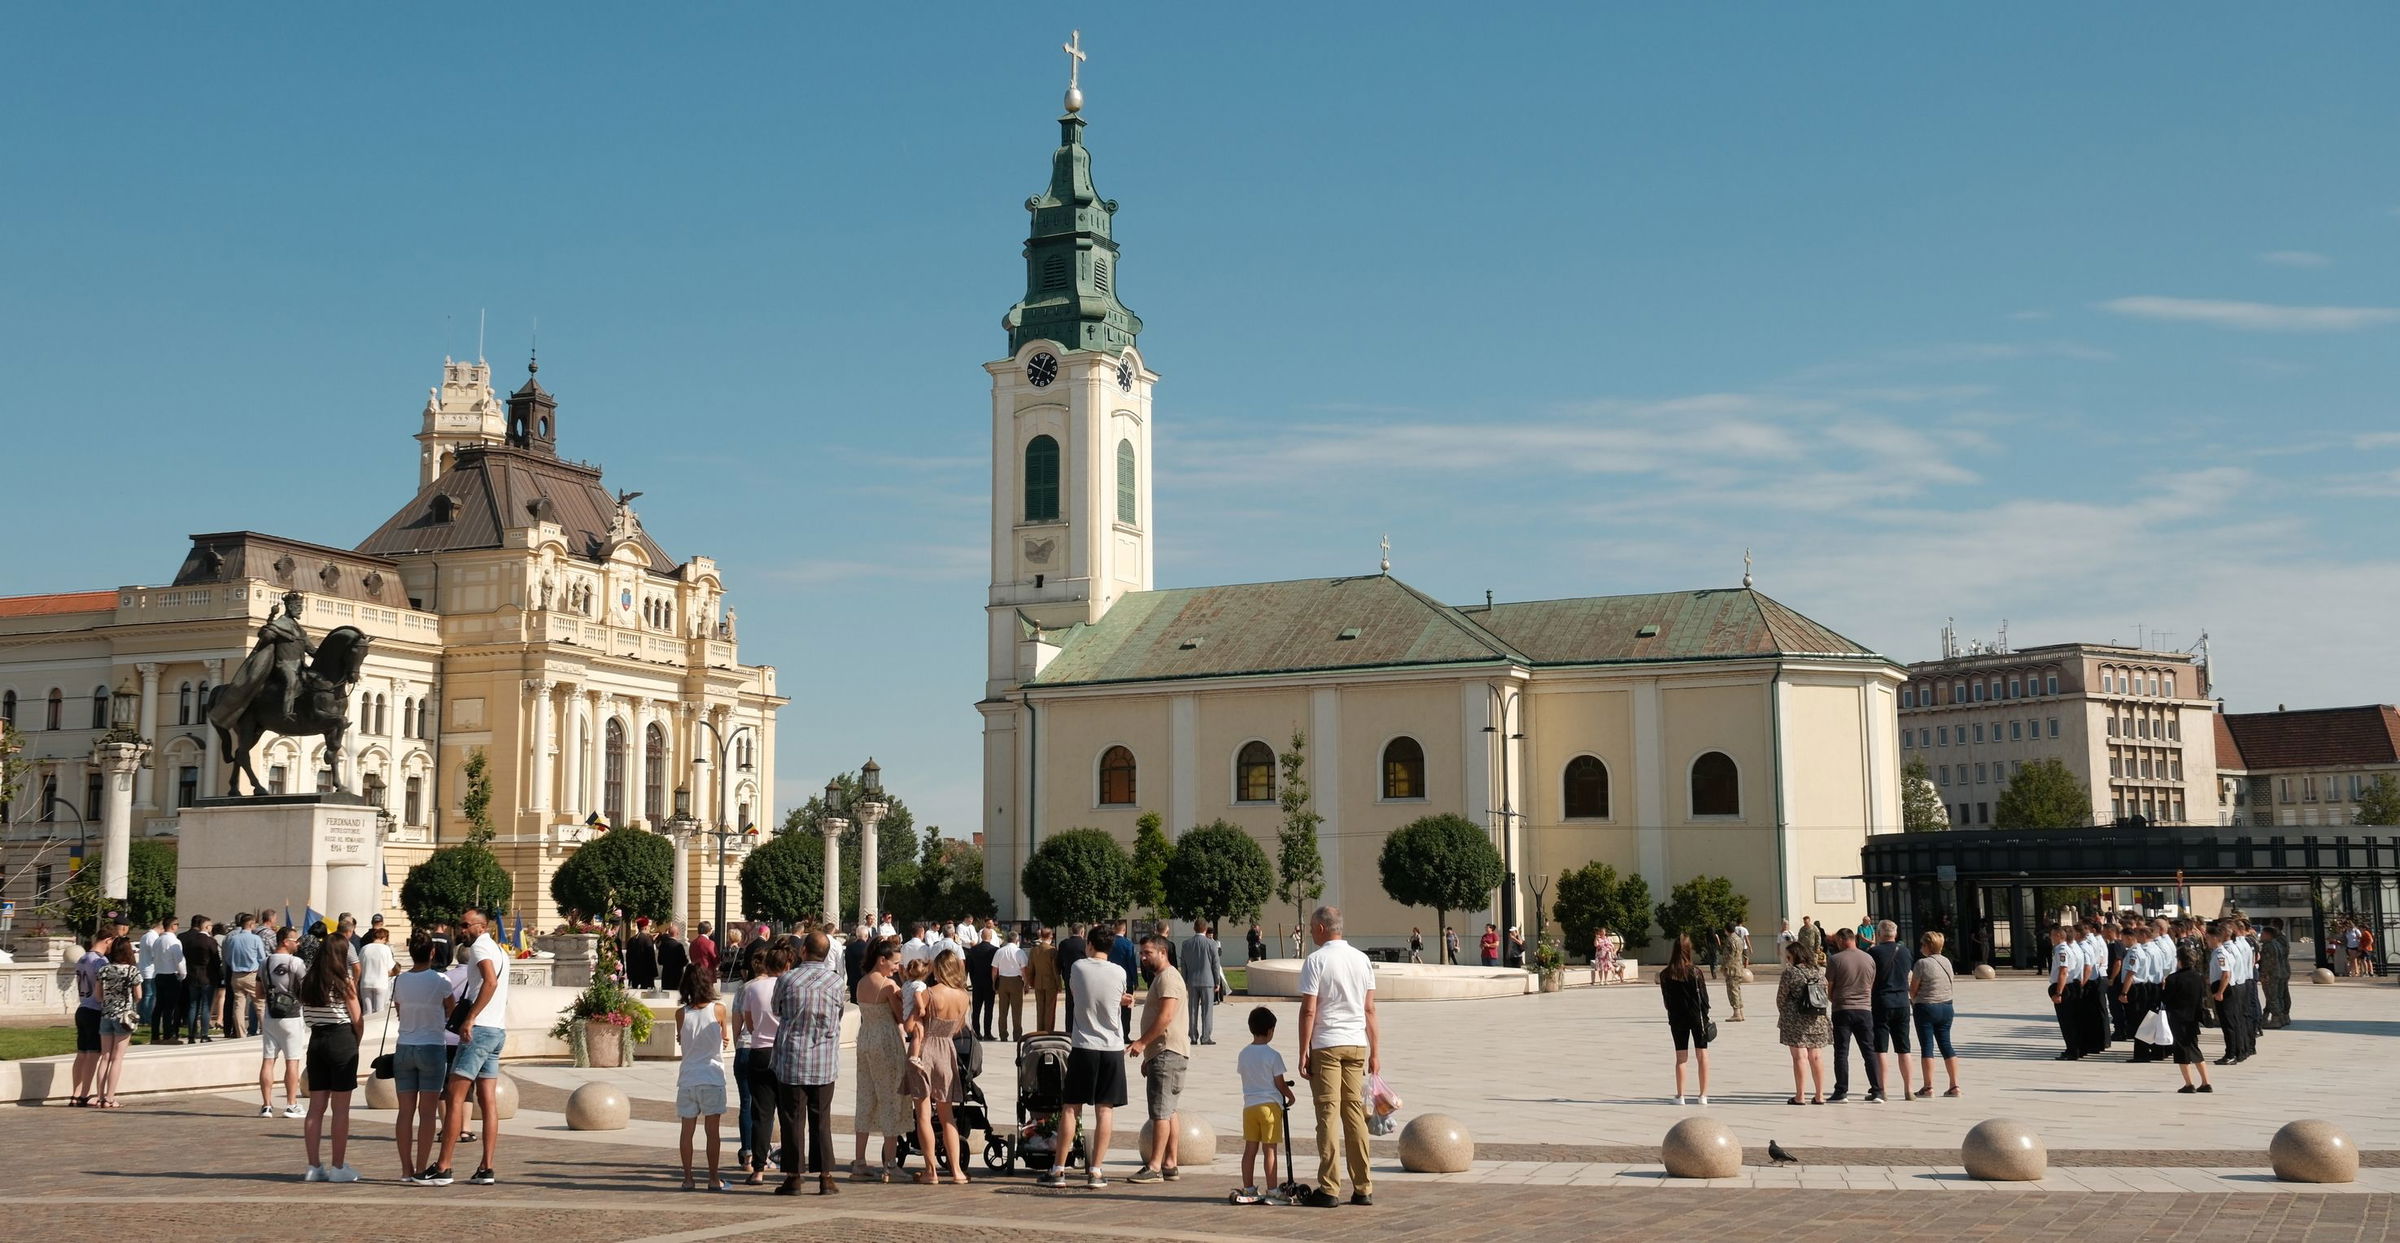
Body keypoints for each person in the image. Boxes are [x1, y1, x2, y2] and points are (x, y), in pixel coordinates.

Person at [1296, 904, 1378, 1208]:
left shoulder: (1316, 960)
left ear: (1320, 928)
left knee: (1327, 1114)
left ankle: (1329, 1187)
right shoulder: (1362, 959)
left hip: (1327, 1044)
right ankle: (1363, 1186)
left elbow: (1309, 1009)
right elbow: (1370, 1009)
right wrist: (1375, 1052)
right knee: (1354, 1113)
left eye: (1310, 926)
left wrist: (1303, 1049)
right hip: (1356, 1044)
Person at [427, 906, 510, 1187]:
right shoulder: (501, 951)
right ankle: (486, 1167)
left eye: (466, 925)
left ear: (482, 927)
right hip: (497, 1029)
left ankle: (443, 1166)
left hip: (481, 1030)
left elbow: (490, 981)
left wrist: (471, 1018)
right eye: (460, 925)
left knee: (454, 1096)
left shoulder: (480, 949)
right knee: (488, 1101)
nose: (461, 930)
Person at [1043, 931, 1129, 1189]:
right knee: (1105, 1109)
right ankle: (1096, 1170)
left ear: (1089, 944)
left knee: (1071, 1107)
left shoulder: (1079, 967)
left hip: (1084, 1045)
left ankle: (1058, 1169)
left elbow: (1079, 993)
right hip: (1112, 1047)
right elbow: (1114, 998)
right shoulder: (1120, 972)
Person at [772, 932, 846, 1196]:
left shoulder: (787, 978)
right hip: (824, 1059)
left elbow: (776, 1009)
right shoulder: (836, 982)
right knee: (821, 1119)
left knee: (792, 1118)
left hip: (792, 1056)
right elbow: (838, 1014)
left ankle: (794, 1176)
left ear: (803, 950)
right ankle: (825, 1176)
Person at [903, 950, 972, 1186]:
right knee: (947, 1115)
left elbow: (910, 1025)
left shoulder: (929, 993)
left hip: (925, 1050)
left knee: (923, 1114)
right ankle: (956, 1171)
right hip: (946, 1052)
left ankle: (931, 1170)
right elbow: (959, 1027)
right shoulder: (963, 996)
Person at [1125, 933, 1189, 1183]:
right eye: (1141, 953)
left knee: (1160, 1112)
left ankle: (1154, 1166)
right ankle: (1170, 1163)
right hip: (1163, 1052)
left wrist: (1141, 1044)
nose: (1142, 957)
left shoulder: (1168, 978)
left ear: (1163, 953)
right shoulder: (1162, 978)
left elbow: (1166, 1017)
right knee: (1169, 1110)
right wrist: (1149, 1055)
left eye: (1147, 953)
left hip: (1167, 1052)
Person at [299, 937, 364, 1182]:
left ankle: (313, 1165)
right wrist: (355, 1041)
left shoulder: (309, 979)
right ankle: (338, 1166)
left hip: (316, 1039)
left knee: (315, 1108)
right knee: (340, 1109)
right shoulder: (344, 981)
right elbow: (356, 1017)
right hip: (340, 1037)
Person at [391, 932, 453, 1182]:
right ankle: (420, 1168)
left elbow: (398, 1009)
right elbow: (451, 1008)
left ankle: (405, 1169)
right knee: (427, 1113)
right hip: (431, 1045)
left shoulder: (400, 981)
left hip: (404, 1045)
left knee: (405, 1112)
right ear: (432, 953)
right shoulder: (440, 980)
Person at [848, 939, 909, 1181]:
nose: (897, 967)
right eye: (895, 963)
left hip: (865, 1038)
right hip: (885, 1041)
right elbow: (900, 1016)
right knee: (890, 1098)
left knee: (865, 1096)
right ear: (881, 960)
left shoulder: (862, 981)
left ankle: (860, 1161)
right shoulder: (888, 985)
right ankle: (891, 1164)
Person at [731, 938, 787, 1182]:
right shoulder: (785, 986)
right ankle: (787, 1163)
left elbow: (744, 1022)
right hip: (779, 1049)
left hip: (753, 1049)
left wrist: (744, 1040)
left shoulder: (748, 988)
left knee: (756, 1110)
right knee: (786, 1111)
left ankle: (754, 1162)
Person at [674, 963, 733, 1191]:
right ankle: (713, 1177)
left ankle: (688, 1178)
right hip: (711, 1075)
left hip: (688, 1077)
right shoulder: (718, 1009)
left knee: (686, 1132)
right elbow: (724, 1037)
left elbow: (683, 1039)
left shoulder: (681, 1014)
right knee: (712, 1133)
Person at [1232, 1006, 1295, 1204]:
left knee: (1250, 1149)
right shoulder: (1273, 1055)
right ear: (1270, 1031)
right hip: (1270, 1107)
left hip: (1249, 1107)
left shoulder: (1243, 1054)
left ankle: (1249, 1187)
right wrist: (1290, 1097)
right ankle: (1273, 1189)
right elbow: (1280, 1083)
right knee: (1270, 1150)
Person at [1825, 927, 1881, 1102]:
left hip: (1842, 1009)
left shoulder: (1835, 960)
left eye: (1837, 942)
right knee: (1869, 1051)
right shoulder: (1869, 958)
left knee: (1841, 1052)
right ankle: (1878, 1090)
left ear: (1842, 940)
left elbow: (1830, 988)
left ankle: (1841, 1091)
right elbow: (1870, 985)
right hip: (1864, 1009)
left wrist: (1834, 999)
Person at [260, 926, 310, 1119]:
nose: (297, 943)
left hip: (271, 1015)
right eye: (294, 940)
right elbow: (305, 987)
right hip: (292, 1014)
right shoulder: (296, 962)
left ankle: (266, 1105)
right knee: (292, 1060)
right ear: (285, 941)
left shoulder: (264, 962)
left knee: (268, 1060)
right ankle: (291, 1104)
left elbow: (258, 992)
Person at [1657, 933, 1711, 1105]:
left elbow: (1666, 1001)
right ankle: (1703, 1095)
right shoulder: (1696, 973)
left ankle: (1680, 1096)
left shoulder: (1666, 974)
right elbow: (1704, 999)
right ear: (1689, 950)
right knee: (1702, 1055)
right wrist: (1705, 1016)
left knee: (1681, 1058)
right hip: (1697, 1017)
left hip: (1677, 1018)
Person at [1864, 919, 1915, 1100]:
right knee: (1904, 1049)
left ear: (1878, 934)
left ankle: (1882, 1090)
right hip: (1902, 1001)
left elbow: (1869, 977)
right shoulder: (1905, 952)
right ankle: (1909, 1090)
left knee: (1881, 1049)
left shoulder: (1874, 952)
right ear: (1896, 933)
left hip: (1881, 1002)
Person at [1776, 939, 1831, 1105]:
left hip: (1796, 1018)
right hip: (1818, 1018)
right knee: (1816, 1056)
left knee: (1799, 1056)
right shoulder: (1819, 971)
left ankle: (1800, 1096)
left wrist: (1785, 1012)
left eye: (1788, 956)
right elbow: (1825, 992)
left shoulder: (1790, 972)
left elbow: (1781, 998)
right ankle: (1820, 1095)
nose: (1787, 959)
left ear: (1794, 956)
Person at [1908, 931, 1960, 1097]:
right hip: (1946, 1007)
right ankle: (1954, 1085)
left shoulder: (1922, 964)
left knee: (1927, 1047)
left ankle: (1928, 1086)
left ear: (1928, 946)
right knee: (1946, 1045)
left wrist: (1914, 999)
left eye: (1922, 944)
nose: (1921, 947)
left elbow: (1913, 989)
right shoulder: (1947, 962)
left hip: (1926, 1007)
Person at [94, 937, 143, 1109]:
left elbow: (97, 996)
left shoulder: (104, 970)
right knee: (117, 1058)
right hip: (124, 1017)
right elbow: (139, 995)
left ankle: (100, 1097)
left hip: (106, 1014)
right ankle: (110, 1097)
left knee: (105, 1057)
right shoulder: (132, 971)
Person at [71, 931, 112, 1108]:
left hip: (82, 1007)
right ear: (108, 940)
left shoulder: (82, 958)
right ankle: (84, 1094)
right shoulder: (100, 961)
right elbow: (103, 987)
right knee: (92, 1054)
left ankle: (75, 1093)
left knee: (81, 1053)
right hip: (95, 1009)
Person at [2164, 943, 2212, 1093]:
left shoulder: (2173, 979)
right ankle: (2205, 1082)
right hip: (2194, 1017)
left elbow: (2166, 999)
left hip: (2178, 1017)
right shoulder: (2199, 977)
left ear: (2180, 960)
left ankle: (2189, 1083)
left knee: (2181, 1050)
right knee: (2194, 1047)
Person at [1182, 920, 1227, 1046]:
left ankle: (1193, 1036)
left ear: (1194, 928)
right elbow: (1215, 964)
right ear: (1206, 929)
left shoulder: (1186, 944)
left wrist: (1184, 980)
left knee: (1192, 1009)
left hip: (1192, 981)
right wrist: (1217, 981)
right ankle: (1206, 1037)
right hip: (1208, 981)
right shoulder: (1212, 944)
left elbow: (1183, 964)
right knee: (1207, 1010)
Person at [223, 913, 266, 1039]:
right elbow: (262, 958)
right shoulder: (255, 939)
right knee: (260, 1004)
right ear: (251, 924)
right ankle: (265, 1031)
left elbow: (228, 958)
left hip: (236, 975)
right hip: (251, 974)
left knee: (238, 1005)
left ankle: (241, 1033)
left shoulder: (233, 939)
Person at [150, 915, 188, 1044]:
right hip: (171, 974)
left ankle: (155, 1035)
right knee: (170, 1008)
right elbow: (179, 960)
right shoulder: (174, 941)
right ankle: (168, 1035)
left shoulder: (158, 940)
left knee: (159, 1007)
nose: (177, 926)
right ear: (172, 926)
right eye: (177, 924)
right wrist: (183, 974)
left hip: (159, 974)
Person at [993, 930, 1028, 1041]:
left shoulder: (999, 951)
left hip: (1003, 980)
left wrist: (994, 983)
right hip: (1016, 981)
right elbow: (1024, 970)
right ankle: (1017, 1035)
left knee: (1002, 1010)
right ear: (1017, 940)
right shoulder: (1019, 952)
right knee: (1016, 1010)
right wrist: (1026, 983)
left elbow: (994, 969)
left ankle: (1003, 1034)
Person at [1107, 921, 1140, 1039]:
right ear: (1124, 930)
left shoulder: (1109, 943)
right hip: (1126, 980)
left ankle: (1112, 1032)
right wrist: (1135, 980)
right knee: (1126, 1010)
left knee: (1112, 1007)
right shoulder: (1128, 944)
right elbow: (1131, 964)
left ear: (1115, 929)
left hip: (1110, 979)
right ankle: (1125, 1034)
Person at [966, 930, 999, 1041]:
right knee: (988, 1009)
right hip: (989, 983)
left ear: (981, 936)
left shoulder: (973, 950)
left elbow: (969, 967)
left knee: (976, 1009)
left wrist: (972, 979)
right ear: (991, 937)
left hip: (977, 983)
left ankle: (976, 1032)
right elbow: (996, 968)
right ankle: (987, 1033)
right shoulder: (995, 950)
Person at [1028, 926, 1063, 1034]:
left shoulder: (1034, 950)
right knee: (1050, 1009)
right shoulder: (1052, 950)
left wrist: (1031, 982)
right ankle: (1048, 1031)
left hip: (1038, 982)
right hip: (1050, 983)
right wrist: (1059, 984)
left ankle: (1040, 1030)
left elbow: (1030, 968)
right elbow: (1055, 969)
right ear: (1050, 936)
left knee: (1040, 1008)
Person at [2259, 922, 2292, 1030]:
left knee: (2272, 997)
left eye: (2263, 934)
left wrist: (2264, 975)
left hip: (2271, 975)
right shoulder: (2277, 943)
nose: (2261, 936)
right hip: (2278, 973)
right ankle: (2281, 1017)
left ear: (2268, 935)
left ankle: (2276, 1019)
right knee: (2278, 996)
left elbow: (2268, 963)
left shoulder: (2269, 945)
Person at [357, 926, 396, 1016]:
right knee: (379, 1012)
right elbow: (391, 967)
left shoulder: (364, 948)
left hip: (366, 982)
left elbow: (359, 966)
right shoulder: (386, 949)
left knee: (367, 1012)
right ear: (384, 938)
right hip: (381, 983)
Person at [1718, 927, 1745, 1021]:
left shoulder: (1730, 940)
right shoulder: (1739, 939)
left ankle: (1736, 1013)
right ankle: (1741, 1013)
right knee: (1737, 989)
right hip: (1739, 967)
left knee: (1732, 990)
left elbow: (1730, 955)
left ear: (1726, 930)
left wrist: (1724, 967)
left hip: (1732, 969)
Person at [625, 923, 659, 991]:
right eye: (649, 926)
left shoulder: (632, 939)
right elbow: (651, 957)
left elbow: (628, 957)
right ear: (645, 927)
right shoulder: (647, 939)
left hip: (634, 973)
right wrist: (654, 973)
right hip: (646, 973)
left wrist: (629, 973)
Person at [661, 922, 693, 987]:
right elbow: (683, 961)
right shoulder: (679, 946)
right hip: (677, 975)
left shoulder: (663, 945)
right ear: (677, 933)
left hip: (666, 974)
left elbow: (659, 960)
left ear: (669, 933)